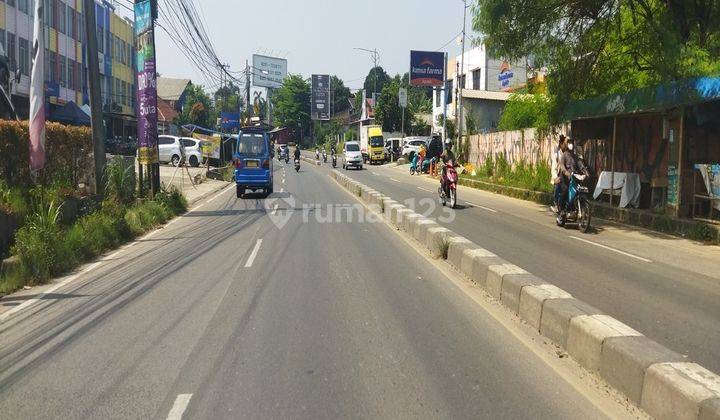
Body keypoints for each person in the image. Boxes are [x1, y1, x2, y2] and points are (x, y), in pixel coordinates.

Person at [558, 138, 586, 214]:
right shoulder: (564, 155)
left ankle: (574, 208)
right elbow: (562, 165)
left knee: (577, 191)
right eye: (569, 143)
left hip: (574, 177)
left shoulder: (575, 156)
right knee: (565, 191)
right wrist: (565, 172)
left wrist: (585, 171)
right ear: (566, 144)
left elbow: (580, 165)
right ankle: (561, 209)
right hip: (565, 178)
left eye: (572, 143)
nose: (571, 144)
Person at [551, 135, 566, 213]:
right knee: (558, 184)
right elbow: (554, 168)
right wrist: (555, 177)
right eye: (565, 144)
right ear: (561, 144)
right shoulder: (557, 155)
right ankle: (556, 204)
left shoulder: (570, 154)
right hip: (559, 176)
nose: (566, 146)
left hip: (568, 176)